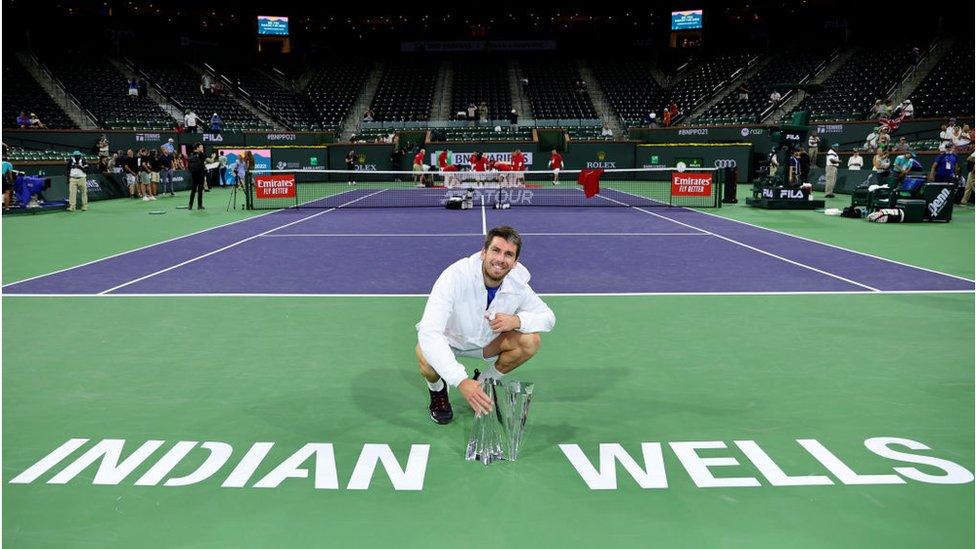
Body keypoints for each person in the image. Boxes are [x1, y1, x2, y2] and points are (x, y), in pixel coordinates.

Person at [415, 226, 555, 424]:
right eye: (495, 250)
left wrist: (517, 321)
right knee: (425, 353)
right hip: (451, 340)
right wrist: (461, 380)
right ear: (483, 253)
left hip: (486, 344)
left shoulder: (518, 284)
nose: (500, 259)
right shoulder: (455, 276)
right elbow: (430, 332)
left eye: (508, 254)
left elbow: (548, 318)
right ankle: (438, 392)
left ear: (515, 262)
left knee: (530, 341)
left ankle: (485, 384)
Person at [187, 143, 206, 210]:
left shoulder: (191, 155)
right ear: (197, 148)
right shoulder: (201, 154)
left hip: (194, 175)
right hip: (200, 174)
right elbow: (204, 160)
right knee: (200, 190)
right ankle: (199, 205)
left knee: (193, 190)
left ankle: (190, 205)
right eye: (201, 147)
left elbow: (188, 166)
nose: (202, 148)